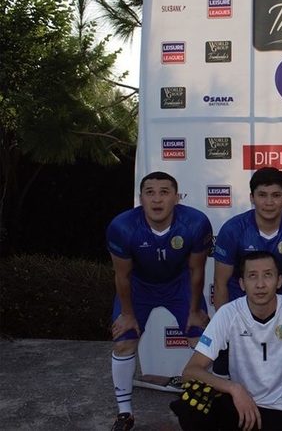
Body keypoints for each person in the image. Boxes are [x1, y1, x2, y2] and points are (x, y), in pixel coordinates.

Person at [171, 251, 282, 431]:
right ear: (242, 283)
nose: (260, 284)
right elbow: (190, 371)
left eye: (268, 275)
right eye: (252, 276)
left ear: (279, 281)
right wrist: (234, 388)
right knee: (190, 406)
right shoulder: (228, 313)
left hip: (280, 409)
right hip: (238, 404)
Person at [107, 171, 213, 431]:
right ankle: (125, 413)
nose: (157, 199)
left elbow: (197, 271)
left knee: (201, 340)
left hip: (179, 284)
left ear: (176, 198)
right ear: (140, 198)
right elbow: (122, 276)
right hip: (139, 286)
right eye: (150, 193)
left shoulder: (196, 222)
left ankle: (203, 406)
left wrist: (194, 310)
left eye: (164, 192)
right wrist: (128, 314)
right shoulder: (122, 226)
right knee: (124, 342)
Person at [213, 167, 282, 404]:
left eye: (276, 195)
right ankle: (223, 404)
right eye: (262, 195)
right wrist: (223, 322)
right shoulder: (233, 229)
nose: (269, 202)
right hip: (241, 303)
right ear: (252, 197)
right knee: (222, 354)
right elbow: (220, 282)